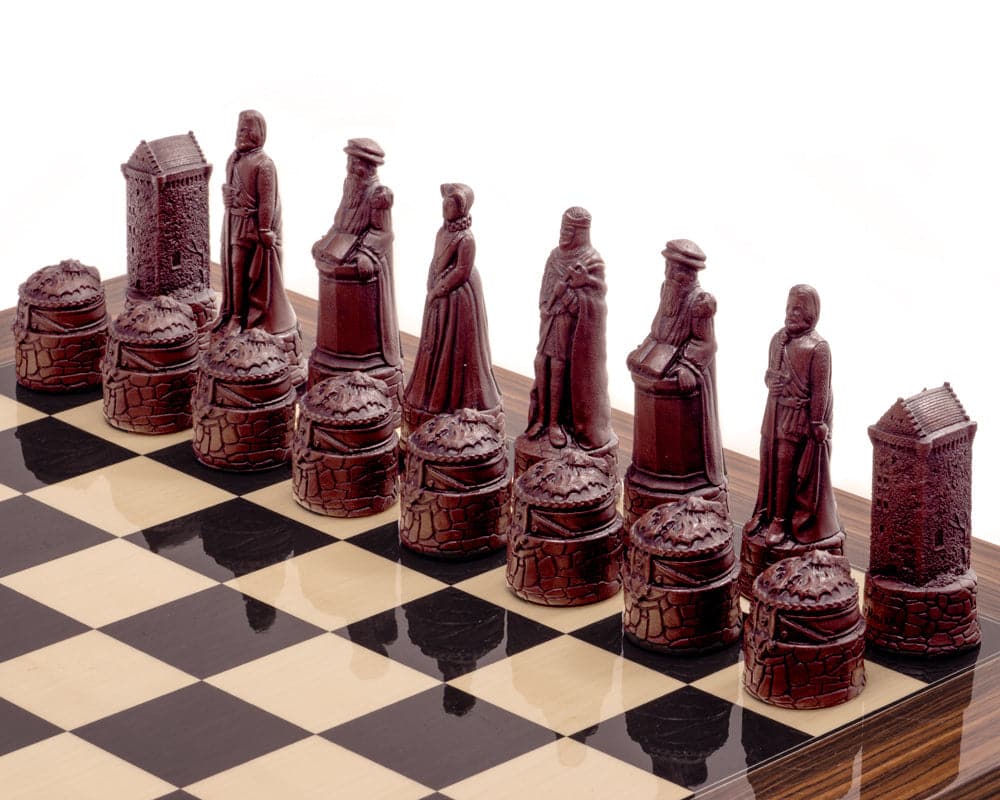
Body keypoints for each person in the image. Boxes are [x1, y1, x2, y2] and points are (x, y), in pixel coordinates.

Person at [744, 284, 843, 547]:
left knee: (785, 463)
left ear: (811, 312)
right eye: (789, 307)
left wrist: (817, 422)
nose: (792, 313)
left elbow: (821, 390)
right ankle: (763, 513)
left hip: (797, 418)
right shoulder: (778, 339)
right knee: (767, 460)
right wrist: (769, 382)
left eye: (798, 309)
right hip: (774, 411)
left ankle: (780, 520)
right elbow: (770, 373)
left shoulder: (818, 348)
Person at [626, 239, 725, 490]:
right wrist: (644, 350)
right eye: (668, 266)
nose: (670, 273)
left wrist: (687, 366)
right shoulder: (667, 290)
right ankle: (648, 471)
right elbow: (659, 329)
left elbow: (706, 344)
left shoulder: (700, 302)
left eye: (675, 269)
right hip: (659, 362)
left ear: (689, 274)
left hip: (685, 374)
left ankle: (682, 482)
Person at [403, 183, 501, 430]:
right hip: (439, 292)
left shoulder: (466, 238)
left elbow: (462, 270)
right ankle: (431, 398)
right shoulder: (442, 231)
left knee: (455, 348)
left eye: (451, 204)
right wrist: (431, 282)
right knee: (435, 344)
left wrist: (440, 288)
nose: (446, 208)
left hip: (458, 299)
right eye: (444, 203)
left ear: (462, 208)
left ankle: (454, 403)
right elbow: (436, 260)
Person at [524, 207, 612, 450]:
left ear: (581, 233)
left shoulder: (591, 261)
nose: (563, 234)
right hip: (550, 319)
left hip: (567, 326)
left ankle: (555, 423)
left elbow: (596, 297)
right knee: (542, 363)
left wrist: (573, 298)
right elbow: (546, 284)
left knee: (559, 367)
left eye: (569, 231)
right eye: (562, 228)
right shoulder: (555, 256)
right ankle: (540, 419)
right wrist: (545, 304)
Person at [311, 138, 401, 374]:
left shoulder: (379, 194)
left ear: (367, 166)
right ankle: (332, 354)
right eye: (349, 161)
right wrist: (327, 240)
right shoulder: (350, 185)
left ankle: (360, 361)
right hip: (342, 251)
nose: (349, 167)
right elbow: (340, 221)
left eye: (354, 162)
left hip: (366, 260)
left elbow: (383, 232)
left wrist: (365, 254)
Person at [215, 110, 297, 338]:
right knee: (232, 269)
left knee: (245, 270)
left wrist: (264, 229)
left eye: (246, 130)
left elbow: (267, 200)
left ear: (258, 133)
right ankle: (231, 313)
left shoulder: (264, 164)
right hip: (233, 223)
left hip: (251, 227)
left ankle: (241, 319)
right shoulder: (233, 159)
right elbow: (231, 190)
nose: (241, 134)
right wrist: (227, 197)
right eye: (239, 129)